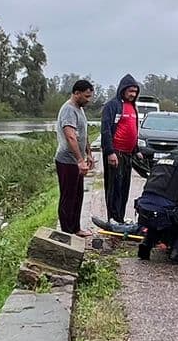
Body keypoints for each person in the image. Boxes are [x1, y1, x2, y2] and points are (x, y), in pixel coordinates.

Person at [54, 78, 94, 235]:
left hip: (76, 160)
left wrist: (89, 154)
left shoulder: (80, 109)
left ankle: (76, 229)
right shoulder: (69, 110)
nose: (88, 100)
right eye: (86, 96)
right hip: (67, 160)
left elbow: (83, 134)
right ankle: (66, 233)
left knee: (77, 196)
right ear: (76, 93)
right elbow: (70, 136)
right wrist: (79, 160)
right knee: (68, 197)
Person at [101, 75, 143, 224]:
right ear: (123, 90)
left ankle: (120, 216)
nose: (132, 94)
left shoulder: (133, 107)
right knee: (115, 186)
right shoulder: (112, 106)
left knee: (125, 186)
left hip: (128, 154)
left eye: (135, 91)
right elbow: (105, 130)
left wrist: (136, 149)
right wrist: (110, 152)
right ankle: (112, 218)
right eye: (130, 91)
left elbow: (134, 129)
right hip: (116, 152)